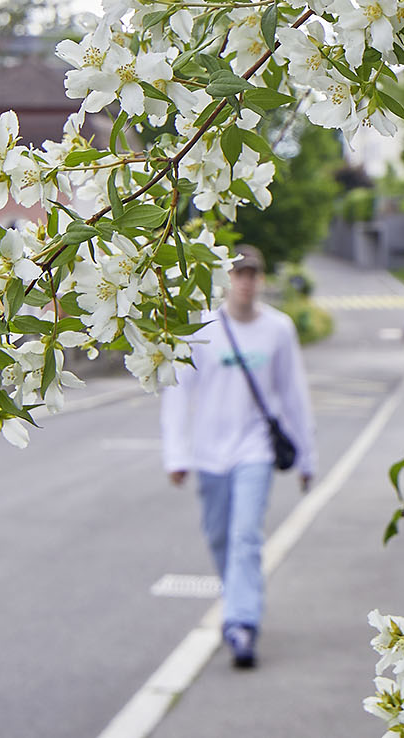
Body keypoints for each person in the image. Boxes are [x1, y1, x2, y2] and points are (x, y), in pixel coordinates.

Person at [159, 245, 316, 670]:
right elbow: (178, 391)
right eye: (238, 273)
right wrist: (177, 453)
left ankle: (241, 623)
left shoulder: (278, 330)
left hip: (256, 452)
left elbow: (293, 394)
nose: (246, 281)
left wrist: (307, 458)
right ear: (227, 279)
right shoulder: (202, 328)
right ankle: (237, 600)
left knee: (246, 536)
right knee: (219, 537)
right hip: (211, 453)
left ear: (260, 280)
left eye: (252, 273)